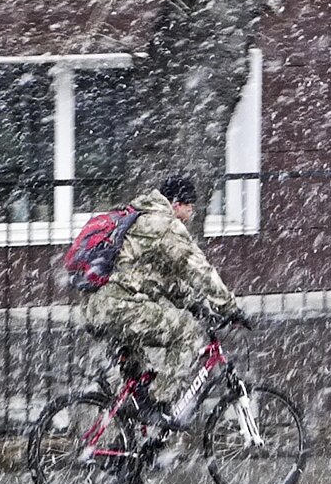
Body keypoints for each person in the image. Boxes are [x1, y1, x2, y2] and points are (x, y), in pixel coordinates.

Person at [80, 174, 248, 425]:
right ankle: (161, 405)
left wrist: (197, 306)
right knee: (186, 333)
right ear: (177, 203)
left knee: (136, 382)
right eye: (190, 208)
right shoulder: (163, 224)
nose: (190, 216)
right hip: (119, 305)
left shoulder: (142, 217)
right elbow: (197, 267)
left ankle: (124, 447)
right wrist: (229, 306)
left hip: (102, 307)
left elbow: (165, 280)